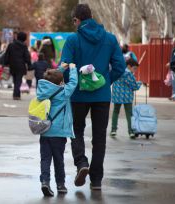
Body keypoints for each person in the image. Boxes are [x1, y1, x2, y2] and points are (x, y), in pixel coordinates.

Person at [60, 4, 126, 190]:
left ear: (76, 20)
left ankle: (82, 163)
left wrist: (73, 84)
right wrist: (103, 82)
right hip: (102, 96)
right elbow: (120, 67)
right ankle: (96, 180)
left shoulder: (73, 39)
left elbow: (64, 67)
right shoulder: (110, 39)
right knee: (99, 138)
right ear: (91, 17)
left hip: (78, 96)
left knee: (75, 130)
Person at [36, 63, 78, 196]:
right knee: (58, 159)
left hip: (44, 130)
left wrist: (60, 69)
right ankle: (60, 184)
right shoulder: (63, 92)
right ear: (61, 82)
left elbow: (52, 80)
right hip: (58, 133)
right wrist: (72, 68)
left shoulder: (43, 90)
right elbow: (73, 82)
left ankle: (45, 182)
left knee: (45, 159)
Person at [110, 58, 142, 139]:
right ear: (128, 66)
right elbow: (134, 86)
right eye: (134, 68)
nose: (135, 70)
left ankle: (113, 130)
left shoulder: (118, 71)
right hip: (127, 97)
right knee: (129, 114)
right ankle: (131, 131)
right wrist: (140, 83)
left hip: (117, 95)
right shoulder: (129, 75)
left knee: (115, 112)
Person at [4, 32, 31, 100]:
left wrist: (6, 63)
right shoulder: (24, 46)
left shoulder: (11, 45)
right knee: (18, 80)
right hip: (21, 65)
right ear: (24, 38)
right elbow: (27, 56)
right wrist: (29, 64)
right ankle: (16, 94)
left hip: (12, 65)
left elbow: (7, 55)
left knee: (15, 79)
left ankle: (16, 94)